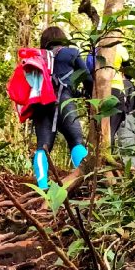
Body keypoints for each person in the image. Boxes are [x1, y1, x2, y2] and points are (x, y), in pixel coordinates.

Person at [26, 26, 90, 189]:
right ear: (63, 38)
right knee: (76, 140)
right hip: (64, 101)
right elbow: (87, 78)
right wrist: (90, 95)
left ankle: (42, 186)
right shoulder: (71, 53)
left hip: (41, 105)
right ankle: (85, 180)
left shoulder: (37, 57)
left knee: (43, 145)